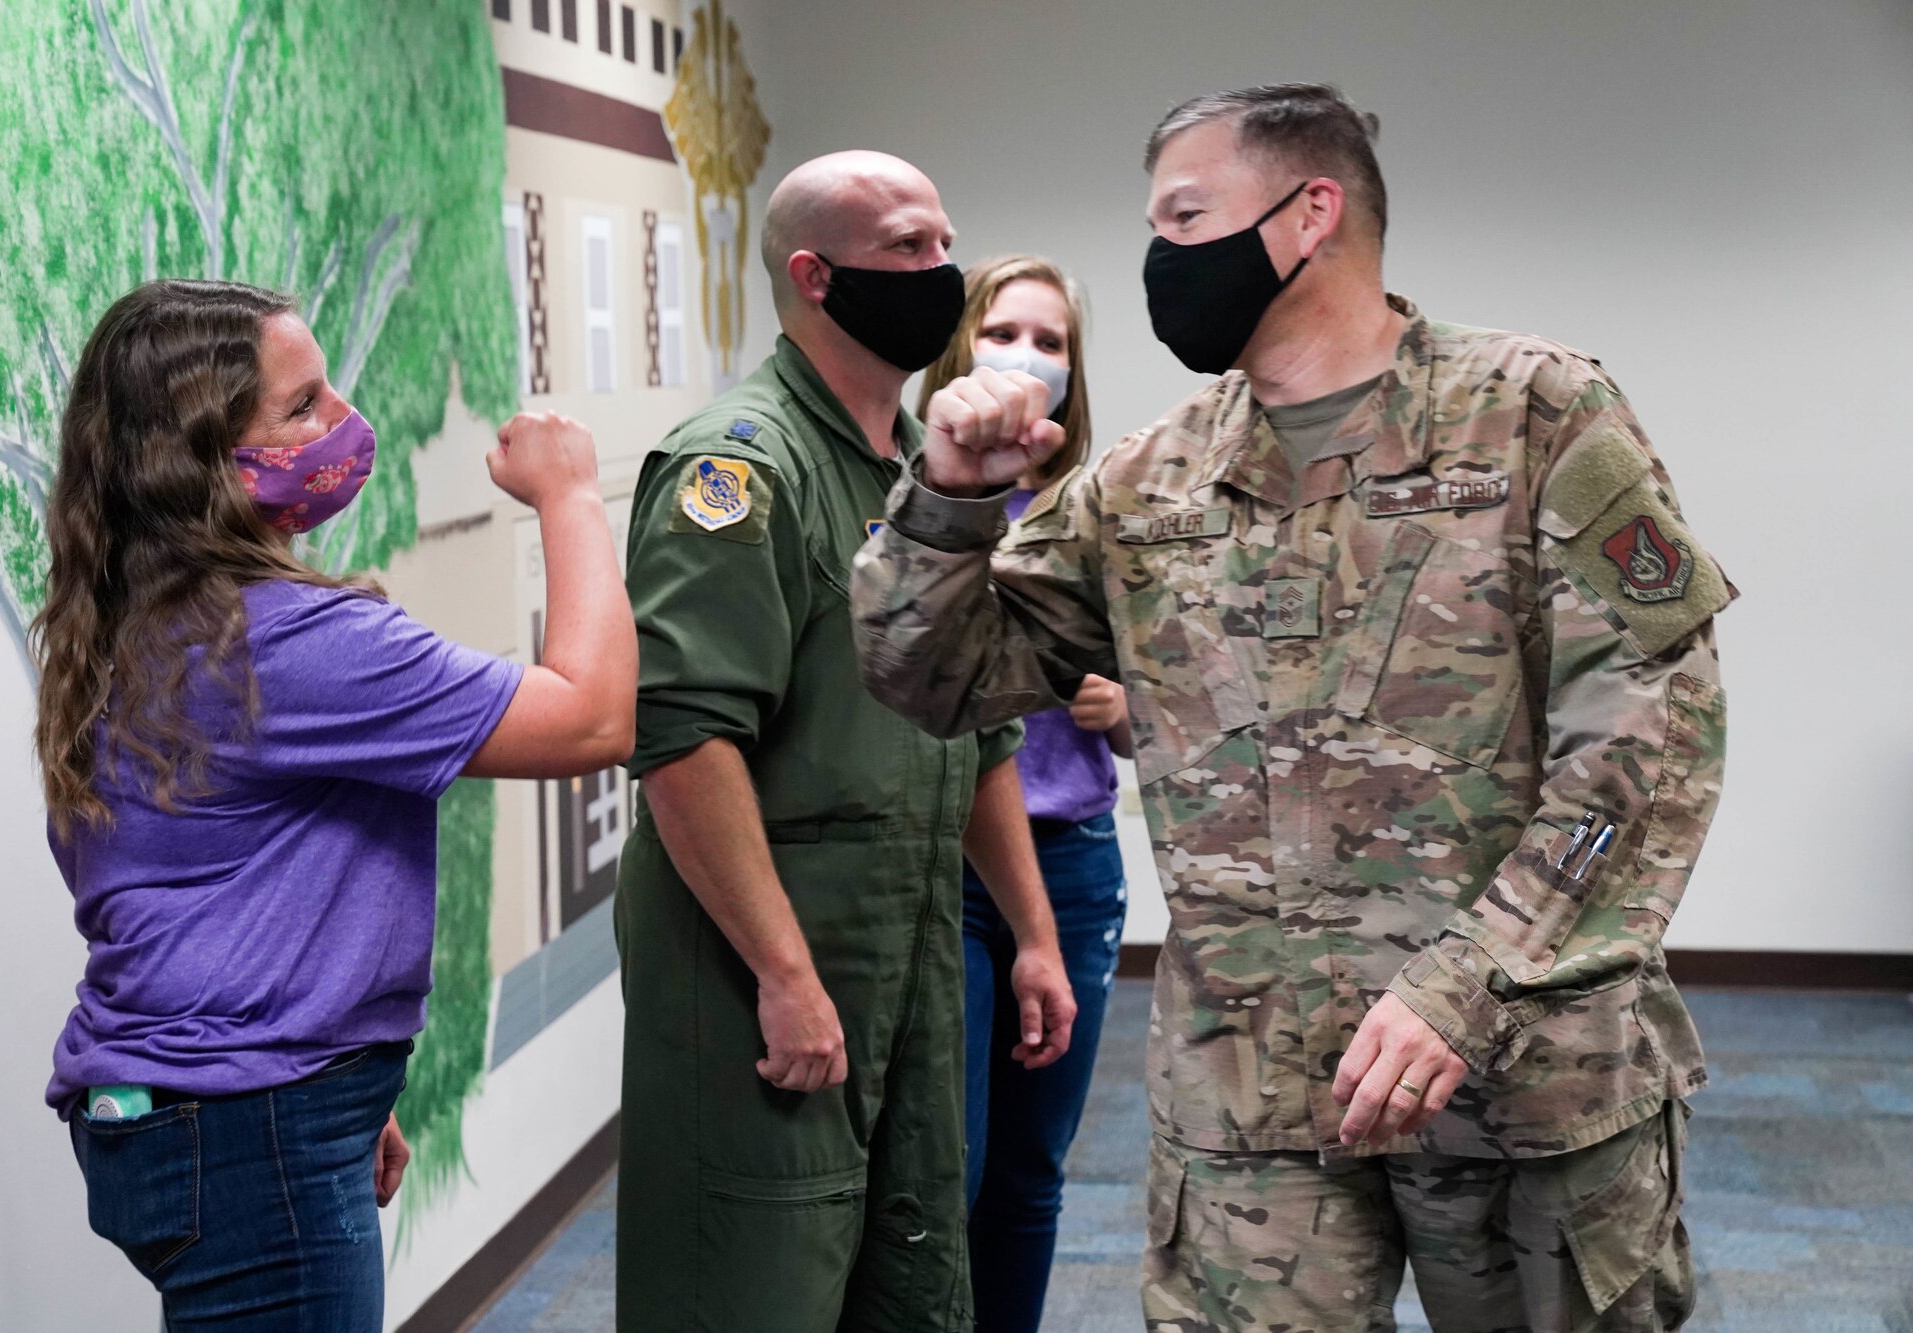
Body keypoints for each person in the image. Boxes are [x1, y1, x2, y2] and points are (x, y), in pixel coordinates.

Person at [852, 84, 1732, 1333]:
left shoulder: (1533, 414)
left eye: (1186, 215)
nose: (1160, 258)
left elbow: (1651, 744)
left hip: (1519, 1079)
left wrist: (1473, 979)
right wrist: (942, 497)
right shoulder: (1144, 481)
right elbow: (924, 677)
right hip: (1251, 1099)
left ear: (1308, 213)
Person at [36, 279, 635, 1329]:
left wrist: (340, 1090)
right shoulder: (283, 640)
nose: (341, 423)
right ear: (200, 457)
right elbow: (589, 719)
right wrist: (571, 498)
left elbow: (193, 883)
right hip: (243, 1125)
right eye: (302, 405)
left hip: (182, 1109)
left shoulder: (126, 616)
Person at [614, 152, 1078, 1333]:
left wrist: (1030, 931)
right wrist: (781, 976)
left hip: (906, 953)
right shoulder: (736, 470)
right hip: (770, 970)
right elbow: (681, 742)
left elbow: (969, 727)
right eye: (909, 249)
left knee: (909, 1279)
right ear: (816, 278)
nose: (943, 273)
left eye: (943, 240)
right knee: (756, 1281)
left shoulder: (923, 465)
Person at [918, 255, 1130, 1333]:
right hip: (948, 871)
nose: (1026, 359)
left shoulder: (1093, 517)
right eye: (1003, 333)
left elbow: (1175, 716)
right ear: (957, 348)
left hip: (1073, 866)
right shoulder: (912, 511)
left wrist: (1118, 709)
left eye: (1051, 344)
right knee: (939, 1168)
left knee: (1029, 1170)